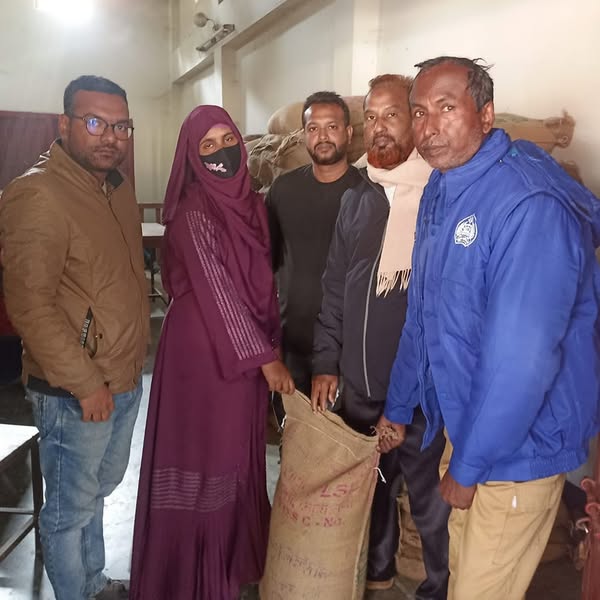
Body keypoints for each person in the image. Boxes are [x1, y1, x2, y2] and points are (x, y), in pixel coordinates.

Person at [379, 56, 600, 600]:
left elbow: (522, 363)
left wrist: (470, 466)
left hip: (519, 448)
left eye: (446, 108)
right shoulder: (443, 187)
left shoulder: (529, 206)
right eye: (419, 112)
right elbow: (423, 314)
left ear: (485, 113)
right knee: (462, 571)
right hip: (469, 426)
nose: (429, 127)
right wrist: (399, 406)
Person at [130, 105, 294, 600]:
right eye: (206, 146)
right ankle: (196, 580)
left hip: (243, 347)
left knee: (236, 453)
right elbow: (217, 289)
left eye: (226, 140)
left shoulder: (252, 205)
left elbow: (260, 284)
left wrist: (265, 346)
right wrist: (267, 358)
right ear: (190, 157)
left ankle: (230, 562)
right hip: (203, 354)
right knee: (208, 455)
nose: (220, 151)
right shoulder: (193, 212)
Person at [0, 76, 149, 600]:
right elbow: (30, 305)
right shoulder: (37, 194)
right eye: (94, 122)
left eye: (121, 126)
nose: (110, 136)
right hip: (73, 391)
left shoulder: (116, 187)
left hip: (122, 376)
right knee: (67, 512)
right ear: (64, 124)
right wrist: (86, 384)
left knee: (95, 493)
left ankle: (93, 582)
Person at [311, 74, 450, 597]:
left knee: (430, 503)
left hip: (418, 396)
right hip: (361, 386)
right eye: (370, 117)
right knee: (372, 492)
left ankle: (439, 587)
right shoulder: (358, 198)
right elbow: (334, 287)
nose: (379, 128)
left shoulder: (439, 196)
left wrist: (409, 397)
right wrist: (327, 361)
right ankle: (377, 575)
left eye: (391, 115)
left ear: (415, 120)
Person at [266, 91, 361, 423]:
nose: (322, 136)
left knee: (341, 442)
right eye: (313, 128)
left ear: (348, 132)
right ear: (304, 135)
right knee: (293, 438)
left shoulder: (368, 194)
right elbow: (267, 267)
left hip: (347, 350)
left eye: (332, 126)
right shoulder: (283, 190)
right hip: (293, 342)